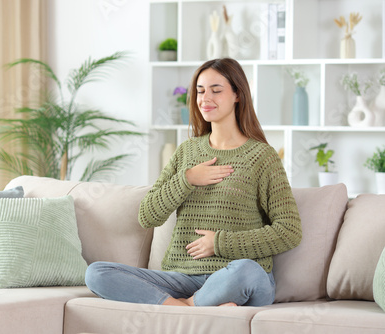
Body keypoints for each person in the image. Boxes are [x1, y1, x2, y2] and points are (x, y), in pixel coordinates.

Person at [85, 58, 302, 307]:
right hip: (182, 278)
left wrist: (219, 243)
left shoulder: (261, 156)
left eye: (216, 90)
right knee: (97, 273)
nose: (205, 98)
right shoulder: (187, 152)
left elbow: (289, 231)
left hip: (235, 276)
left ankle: (188, 305)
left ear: (238, 95)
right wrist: (187, 179)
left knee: (247, 271)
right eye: (200, 91)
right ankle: (192, 305)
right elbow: (147, 216)